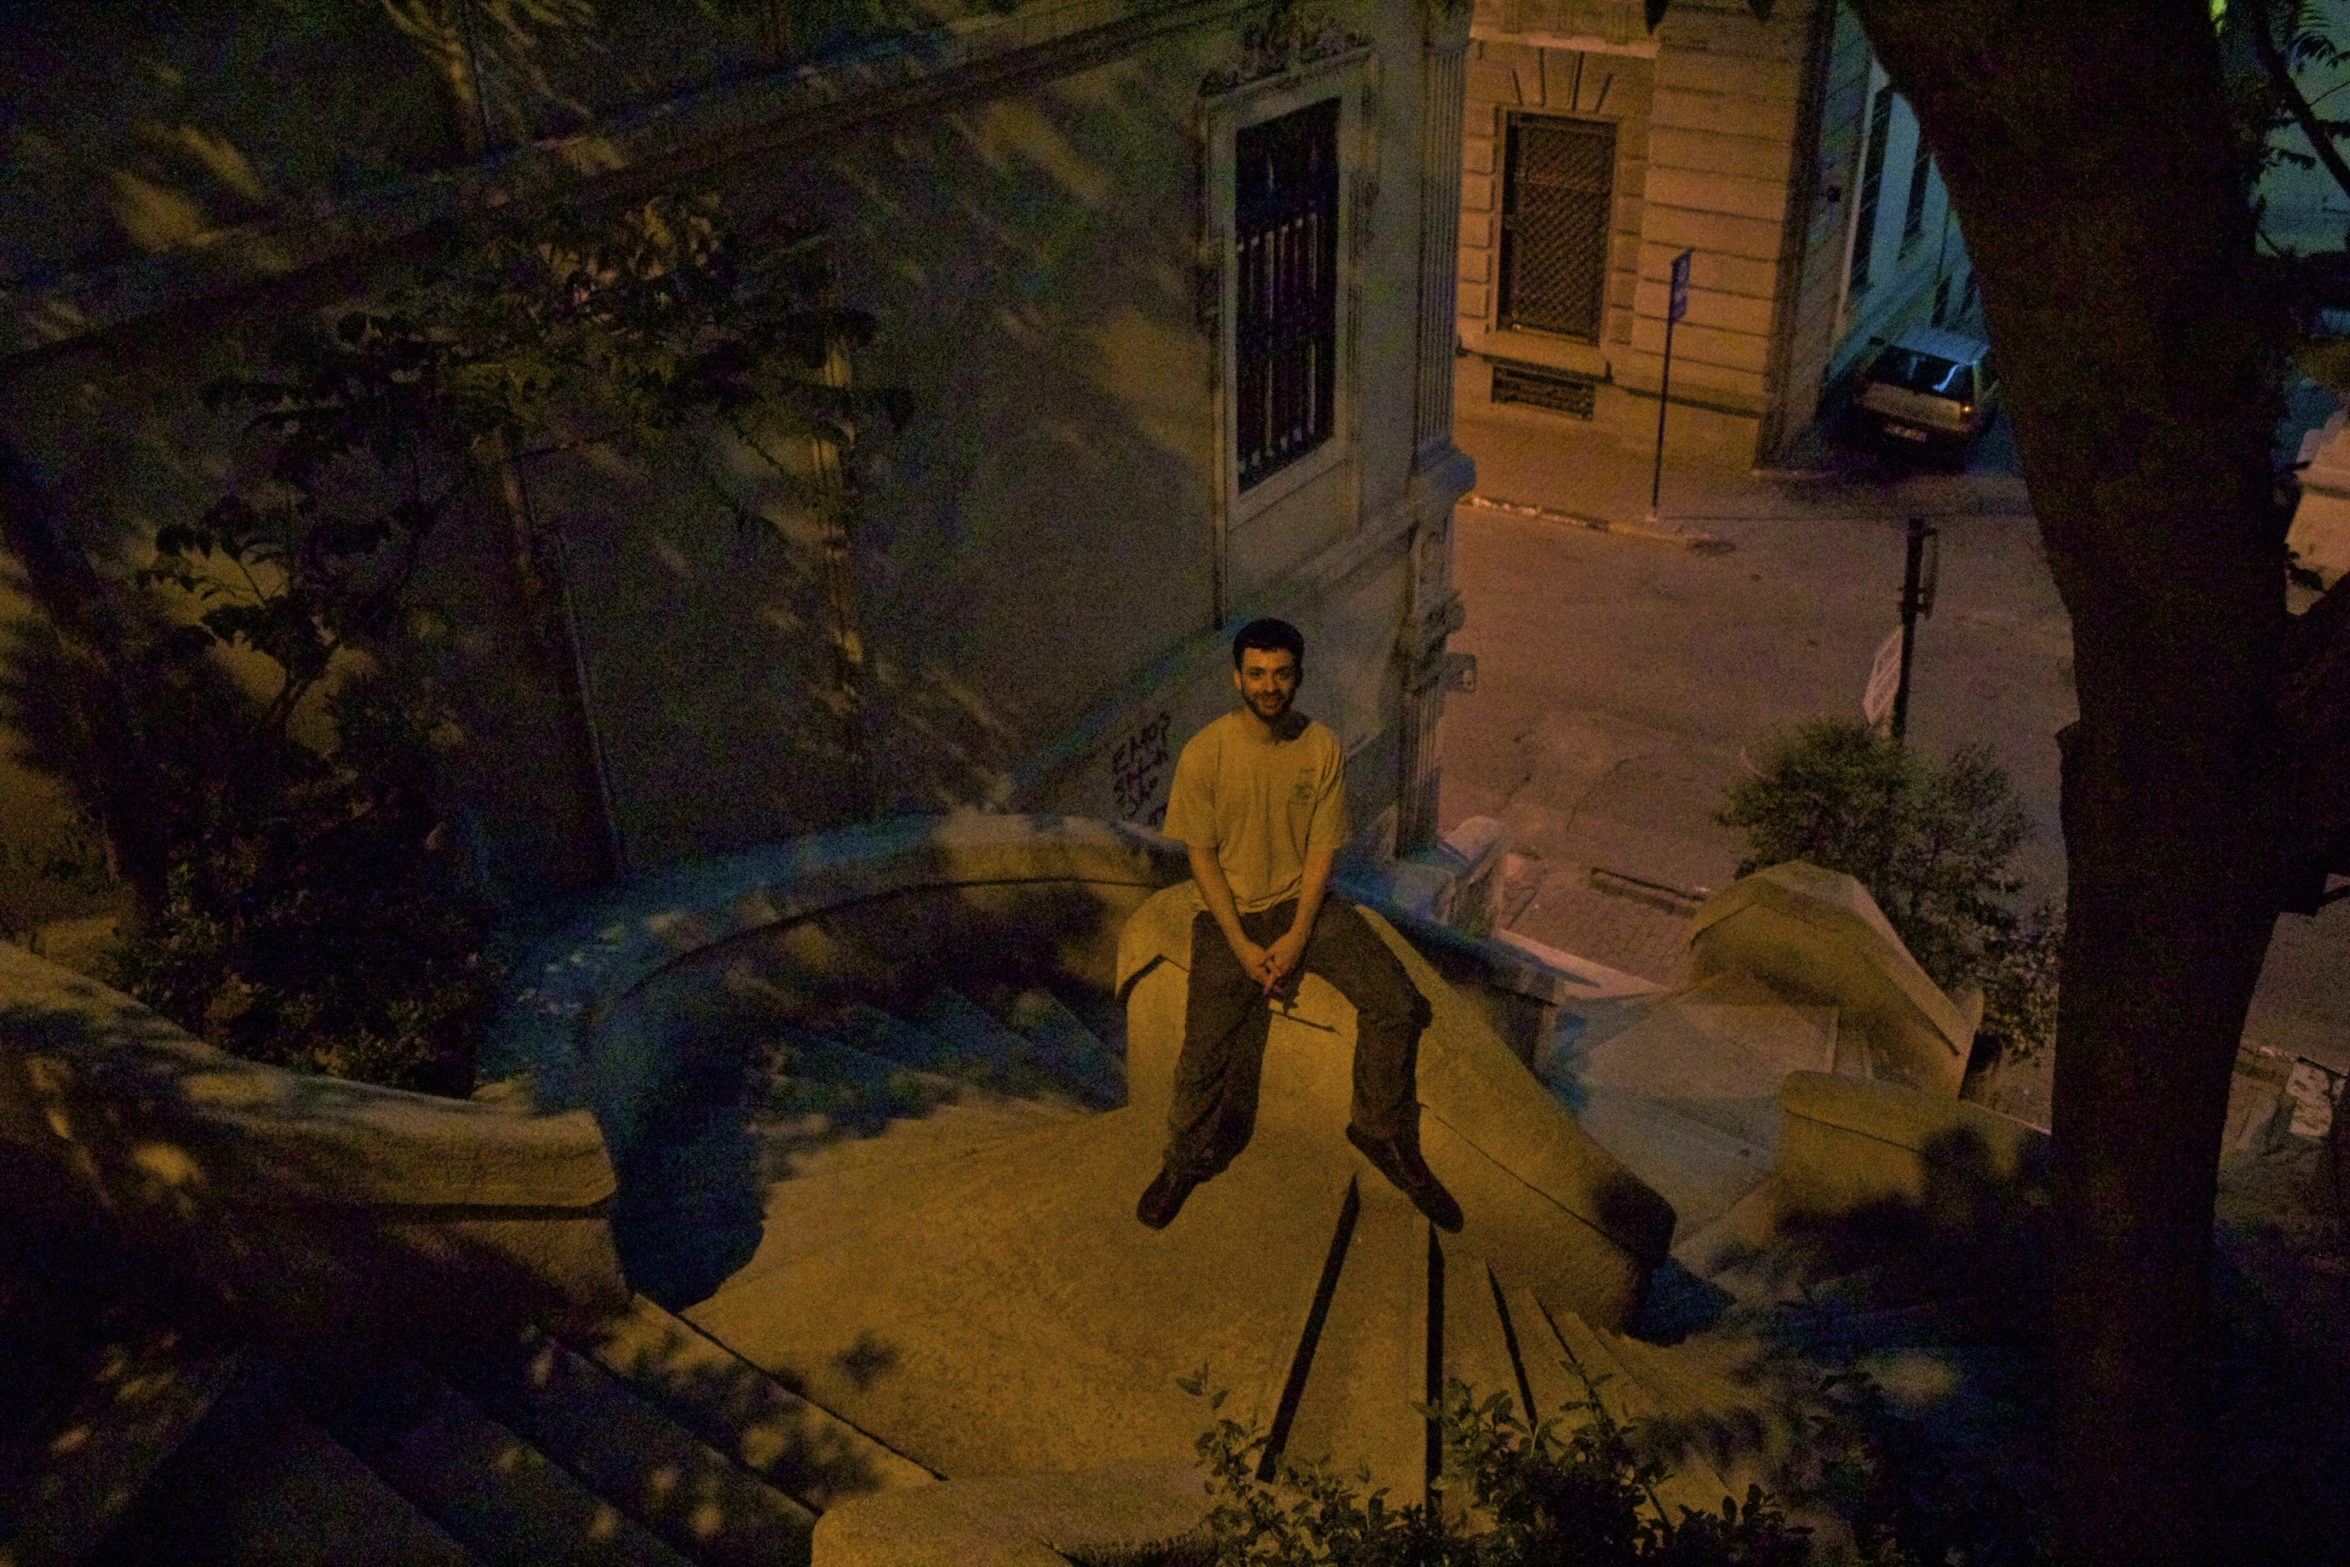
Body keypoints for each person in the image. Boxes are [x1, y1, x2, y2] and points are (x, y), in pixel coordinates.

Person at [1135, 617, 1462, 1233]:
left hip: (1301, 906)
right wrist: (1241, 943)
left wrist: (1296, 937)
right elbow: (1200, 857)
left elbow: (1321, 852)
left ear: (1298, 677)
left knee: (1396, 1002)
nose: (1269, 685)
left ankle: (1378, 1129)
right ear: (1237, 678)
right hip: (1229, 913)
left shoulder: (1321, 749)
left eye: (1281, 674)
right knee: (1202, 1052)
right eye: (1256, 674)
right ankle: (1183, 1161)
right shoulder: (1206, 753)